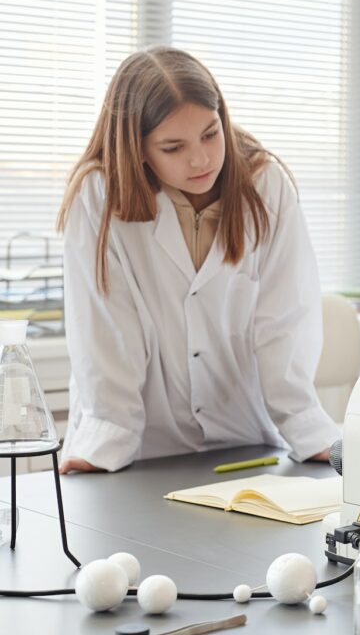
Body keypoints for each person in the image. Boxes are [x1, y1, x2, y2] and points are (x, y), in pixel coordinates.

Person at [57, 46, 338, 473]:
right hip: (140, 453)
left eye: (210, 133)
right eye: (173, 147)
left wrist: (306, 425)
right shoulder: (99, 195)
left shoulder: (265, 185)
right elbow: (104, 331)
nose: (201, 158)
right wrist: (107, 436)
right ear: (138, 148)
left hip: (245, 443)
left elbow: (283, 322)